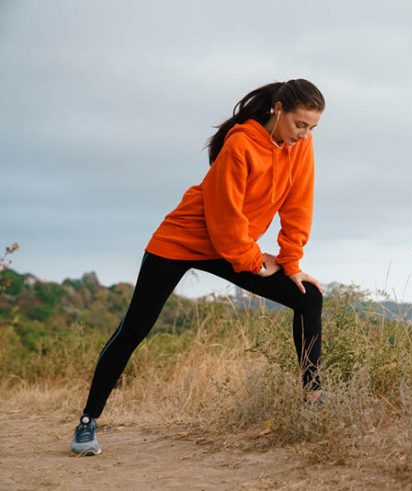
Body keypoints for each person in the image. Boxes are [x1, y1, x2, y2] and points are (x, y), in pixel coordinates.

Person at [70, 79, 326, 456]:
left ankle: (313, 399)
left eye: (311, 128)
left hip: (234, 244)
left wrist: (290, 262)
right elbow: (224, 219)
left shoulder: (300, 148)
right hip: (184, 239)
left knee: (309, 297)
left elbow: (298, 205)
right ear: (277, 110)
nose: (304, 135)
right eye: (299, 125)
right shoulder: (240, 144)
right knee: (135, 328)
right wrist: (255, 262)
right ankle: (88, 422)